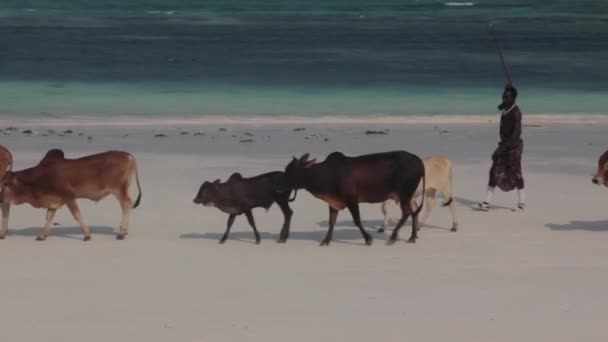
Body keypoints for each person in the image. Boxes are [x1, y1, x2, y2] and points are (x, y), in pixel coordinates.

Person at [475, 84, 525, 211]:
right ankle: (486, 202)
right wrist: (508, 90)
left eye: (507, 97)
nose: (504, 99)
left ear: (513, 99)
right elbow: (500, 107)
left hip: (514, 147)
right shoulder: (506, 108)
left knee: (516, 173)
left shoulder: (516, 113)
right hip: (504, 145)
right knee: (494, 171)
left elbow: (515, 135)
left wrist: (501, 149)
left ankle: (522, 203)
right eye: (503, 97)